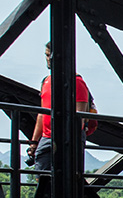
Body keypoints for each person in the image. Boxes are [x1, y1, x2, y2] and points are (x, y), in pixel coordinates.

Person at [28, 42, 96, 175]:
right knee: (42, 175)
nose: (48, 59)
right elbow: (42, 115)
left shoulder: (76, 82)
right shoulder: (46, 81)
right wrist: (34, 142)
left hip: (68, 137)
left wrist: (70, 140)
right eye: (46, 55)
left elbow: (79, 117)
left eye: (50, 55)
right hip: (46, 137)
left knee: (67, 178)